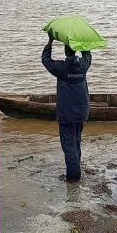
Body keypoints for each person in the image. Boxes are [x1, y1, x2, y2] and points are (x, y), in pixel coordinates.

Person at [42, 32, 92, 183]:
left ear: (65, 52)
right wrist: (82, 42)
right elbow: (88, 55)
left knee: (69, 145)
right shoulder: (83, 65)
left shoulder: (61, 68)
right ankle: (76, 171)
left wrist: (50, 41)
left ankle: (73, 178)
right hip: (82, 112)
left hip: (66, 114)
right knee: (76, 140)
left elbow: (45, 60)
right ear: (75, 51)